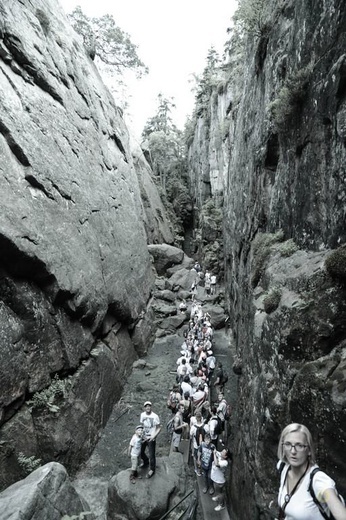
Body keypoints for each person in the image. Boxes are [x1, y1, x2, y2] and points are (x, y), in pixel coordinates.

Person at [277, 423, 346, 520]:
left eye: (299, 445)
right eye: (288, 444)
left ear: (309, 450)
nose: (293, 451)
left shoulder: (318, 481)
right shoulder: (283, 467)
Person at [139, 401, 161, 479]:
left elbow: (158, 428)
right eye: (146, 406)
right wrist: (140, 435)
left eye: (149, 406)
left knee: (151, 454)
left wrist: (154, 436)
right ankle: (145, 461)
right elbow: (141, 425)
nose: (148, 407)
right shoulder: (142, 415)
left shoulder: (155, 416)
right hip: (144, 437)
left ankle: (152, 469)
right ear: (144, 408)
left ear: (151, 407)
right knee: (140, 452)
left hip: (151, 438)